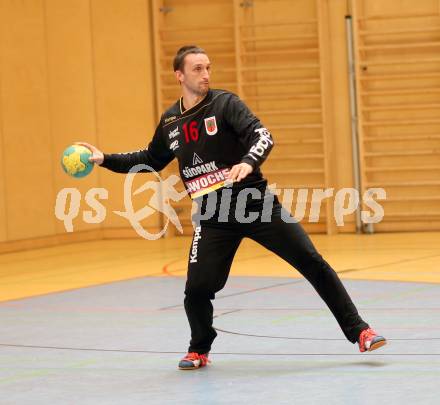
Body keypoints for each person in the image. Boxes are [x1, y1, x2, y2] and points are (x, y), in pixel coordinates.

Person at [78, 45, 386, 370]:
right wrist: (104, 159)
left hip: (255, 203)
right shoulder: (171, 122)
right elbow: (149, 159)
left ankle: (361, 332)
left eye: (208, 67)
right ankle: (199, 349)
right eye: (197, 68)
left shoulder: (225, 104)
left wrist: (248, 162)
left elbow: (262, 135)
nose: (205, 74)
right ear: (179, 75)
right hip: (214, 216)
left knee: (312, 262)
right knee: (196, 289)